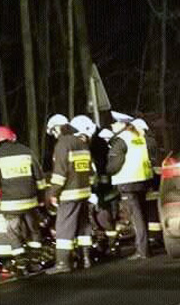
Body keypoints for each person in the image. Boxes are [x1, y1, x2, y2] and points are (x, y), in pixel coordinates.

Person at [0, 126, 46, 271]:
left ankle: (21, 263)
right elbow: (40, 178)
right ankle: (36, 260)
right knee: (33, 230)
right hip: (30, 201)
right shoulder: (27, 151)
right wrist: (41, 198)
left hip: (10, 204)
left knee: (13, 232)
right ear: (13, 137)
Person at [45, 114, 96, 273]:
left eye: (53, 131)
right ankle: (86, 259)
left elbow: (60, 173)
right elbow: (90, 170)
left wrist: (53, 192)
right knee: (83, 225)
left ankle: (63, 263)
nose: (54, 135)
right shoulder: (82, 143)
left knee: (64, 227)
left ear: (57, 128)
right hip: (84, 191)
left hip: (68, 193)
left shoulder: (62, 144)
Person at [105, 112, 157, 260]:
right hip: (142, 180)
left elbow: (114, 165)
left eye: (115, 123)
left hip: (128, 182)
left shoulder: (121, 140)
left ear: (123, 124)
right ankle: (145, 248)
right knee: (142, 215)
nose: (112, 125)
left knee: (136, 217)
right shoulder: (138, 137)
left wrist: (107, 171)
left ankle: (142, 251)